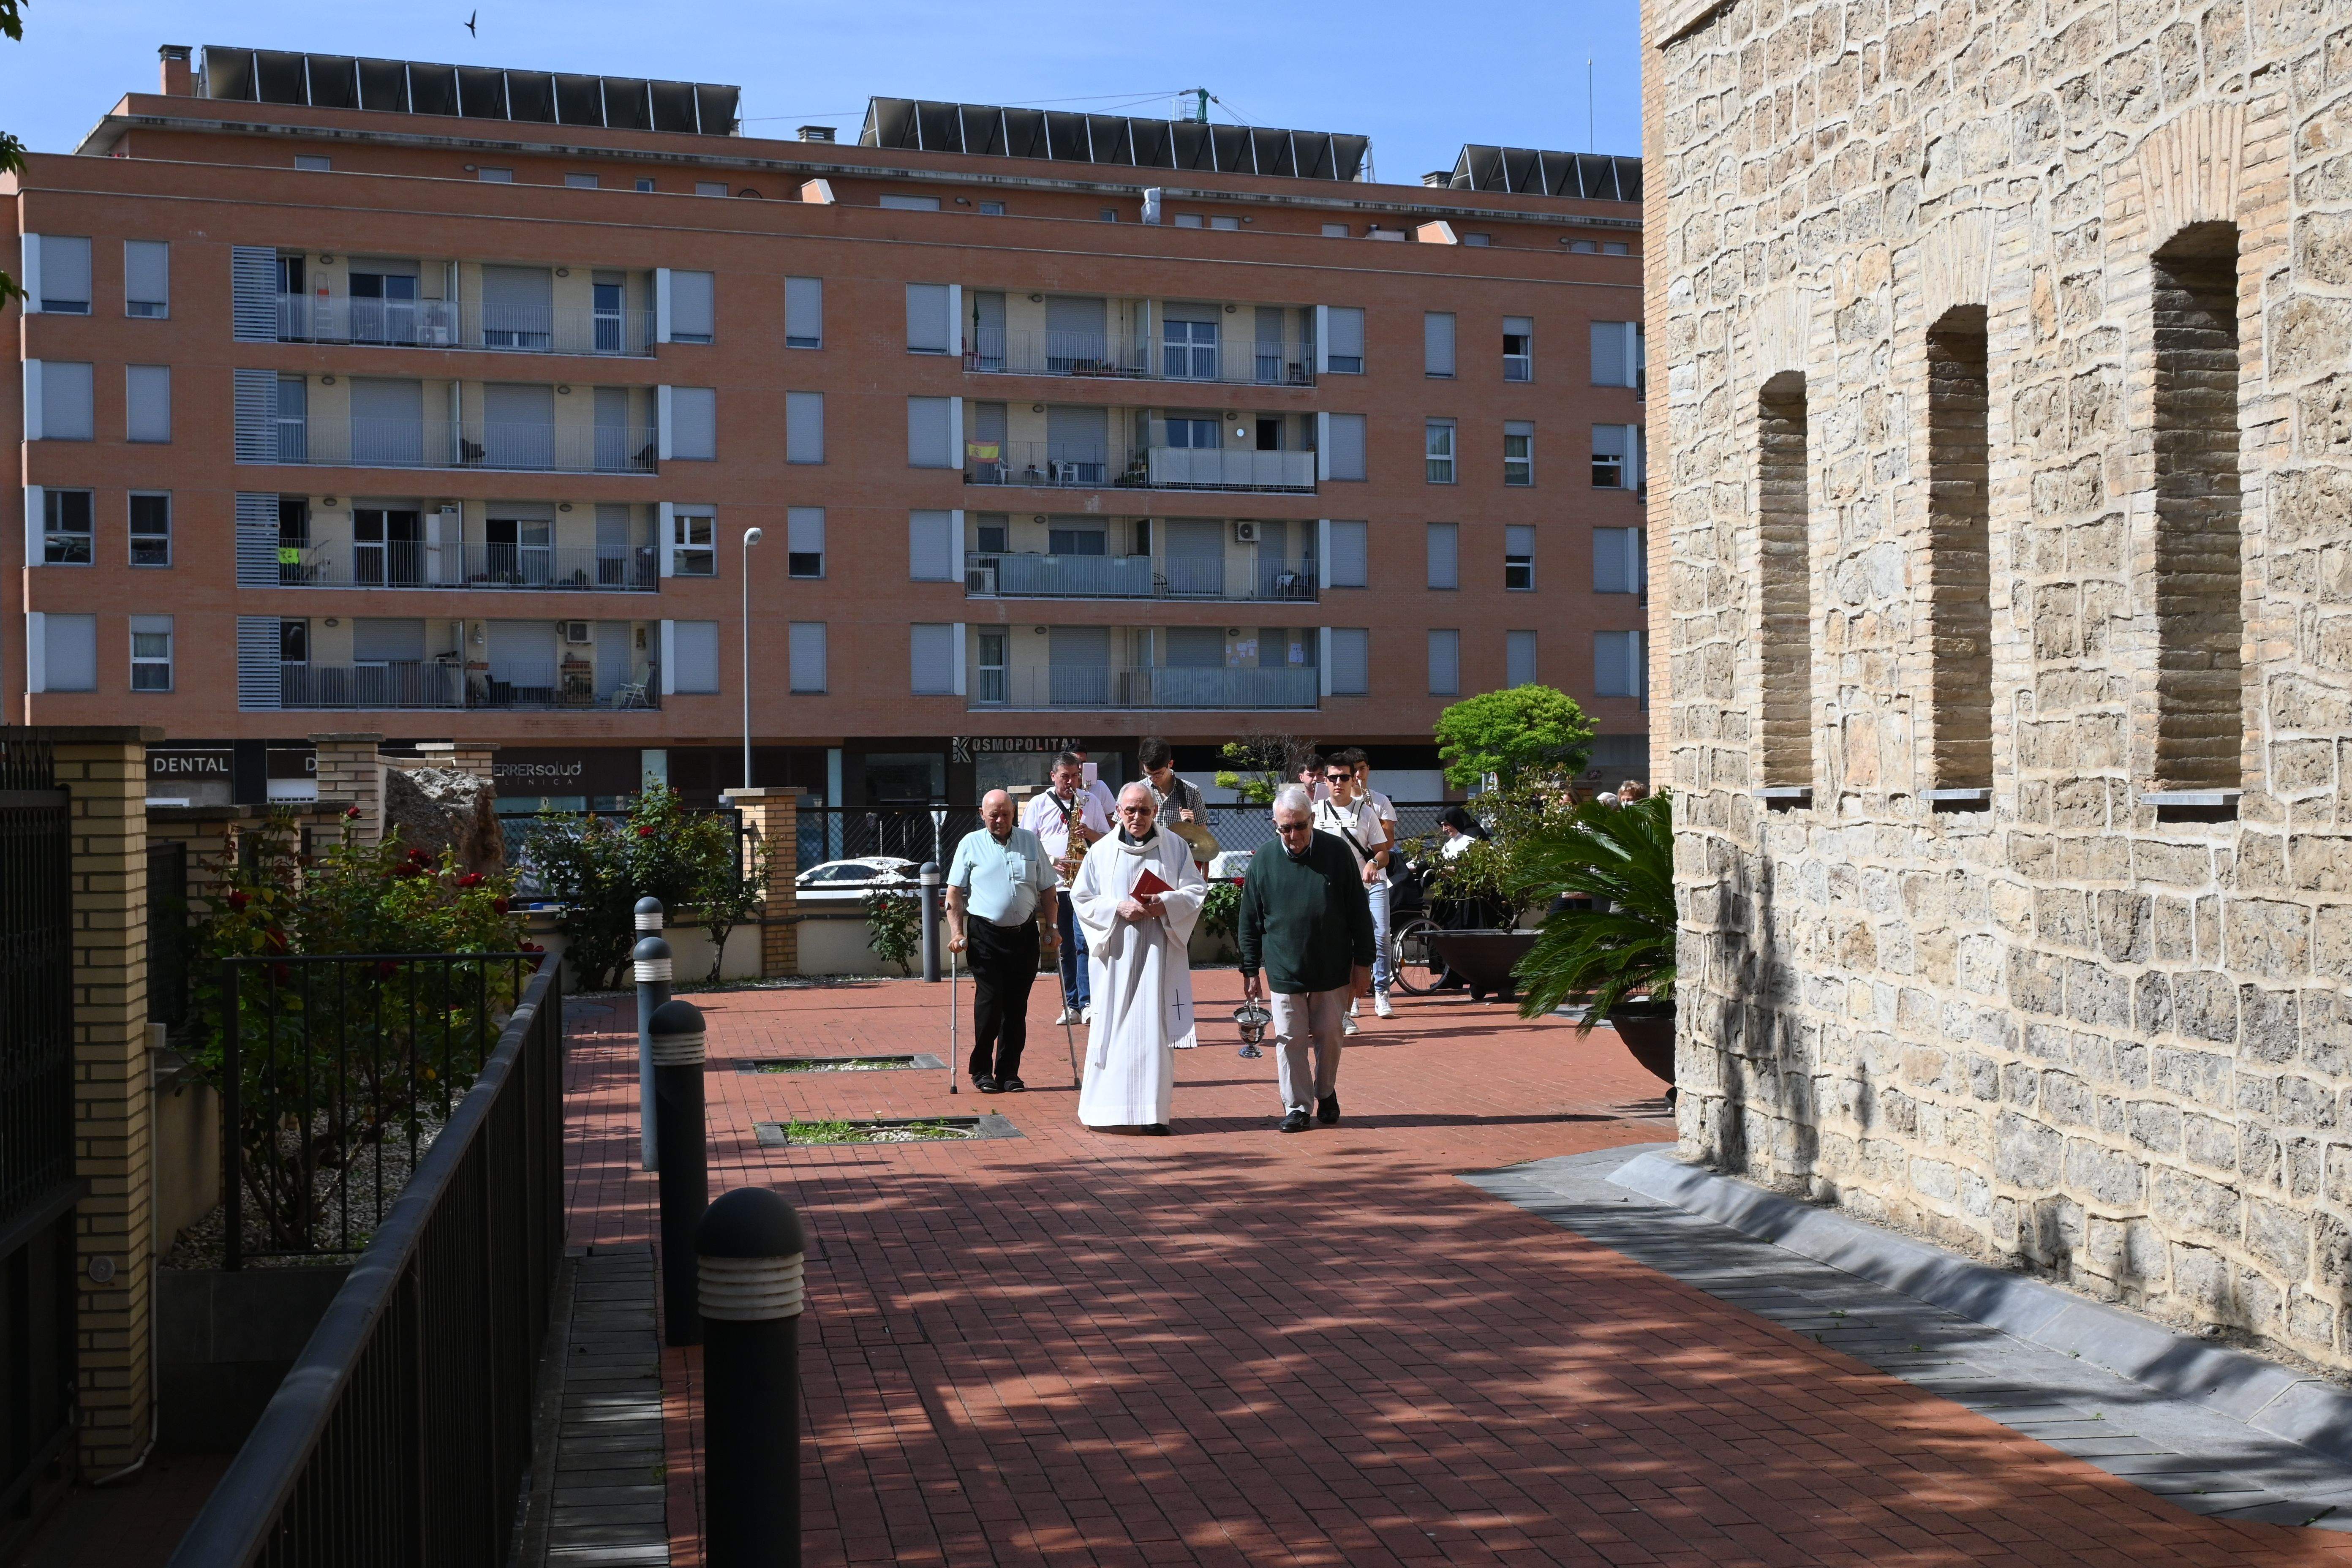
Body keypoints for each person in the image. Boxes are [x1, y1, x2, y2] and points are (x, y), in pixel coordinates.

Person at [1070, 782, 1207, 1133]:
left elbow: (1195, 890)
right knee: (1111, 1032)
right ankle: (1104, 1112)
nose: (1137, 817)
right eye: (1130, 810)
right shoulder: (1101, 852)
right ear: (1118, 811)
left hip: (1158, 955)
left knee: (1154, 1034)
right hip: (1115, 958)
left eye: (1144, 810)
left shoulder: (1175, 847)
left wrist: (1165, 904)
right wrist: (1118, 907)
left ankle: (1153, 1114)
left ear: (1155, 812)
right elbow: (1082, 897)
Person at [1239, 787, 1374, 1133]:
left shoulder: (1337, 853)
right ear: (1275, 825)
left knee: (1330, 1035)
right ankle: (1298, 1106)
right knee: (1289, 1040)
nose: (1294, 835)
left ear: (1312, 820)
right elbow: (1250, 920)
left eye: (1300, 826)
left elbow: (1359, 910)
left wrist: (1364, 962)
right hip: (1285, 968)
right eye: (1286, 828)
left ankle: (1325, 1091)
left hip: (1332, 967)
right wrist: (1250, 968)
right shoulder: (1264, 861)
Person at [944, 790, 1059, 1093]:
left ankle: (1009, 1073)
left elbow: (1048, 889)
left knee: (1016, 1007)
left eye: (1005, 814)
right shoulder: (970, 844)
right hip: (985, 936)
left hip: (1024, 934)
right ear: (982, 815)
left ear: (1013, 814)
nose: (1000, 820)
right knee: (991, 1002)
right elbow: (954, 893)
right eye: (993, 814)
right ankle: (981, 1070)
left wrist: (1053, 926)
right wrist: (957, 933)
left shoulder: (1030, 842)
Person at [1021, 752, 1111, 1026]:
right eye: (1065, 777)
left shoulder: (1090, 801)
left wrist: (1091, 834)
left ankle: (1087, 1003)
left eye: (1075, 776)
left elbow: (1107, 841)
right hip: (1056, 887)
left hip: (1085, 884)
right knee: (1064, 945)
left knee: (1085, 943)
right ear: (1053, 776)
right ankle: (1070, 1003)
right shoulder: (1038, 804)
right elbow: (1028, 845)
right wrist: (1051, 862)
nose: (1071, 782)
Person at [1312, 754, 1392, 1028]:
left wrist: (1373, 862)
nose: (1338, 783)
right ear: (1325, 780)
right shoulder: (1314, 812)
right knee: (1322, 953)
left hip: (1359, 891)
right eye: (1333, 778)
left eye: (1344, 777)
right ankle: (1321, 1012)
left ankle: (1348, 1012)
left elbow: (1383, 853)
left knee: (1358, 948)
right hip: (1324, 894)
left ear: (1352, 779)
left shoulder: (1366, 812)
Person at [1346, 749, 1401, 1021]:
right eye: (1353, 770)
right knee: (1350, 938)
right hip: (1349, 880)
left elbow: (1388, 843)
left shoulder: (1380, 802)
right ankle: (1352, 996)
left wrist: (1369, 814)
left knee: (1381, 935)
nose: (1358, 775)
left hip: (1376, 877)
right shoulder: (1335, 804)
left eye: (1363, 769)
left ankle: (1382, 992)